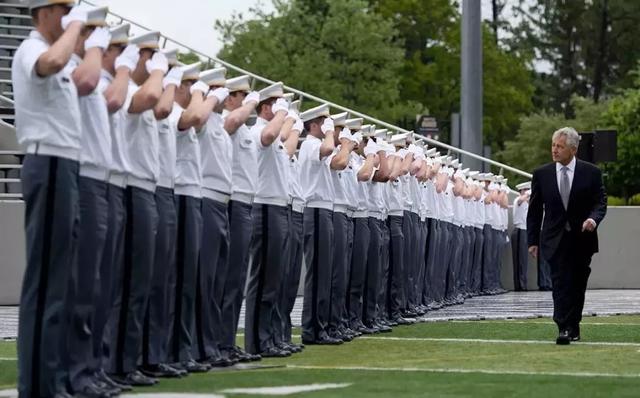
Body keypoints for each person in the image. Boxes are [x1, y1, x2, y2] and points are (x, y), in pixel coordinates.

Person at [12, 1, 88, 396]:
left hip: (66, 166)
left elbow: (83, 77)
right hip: (48, 161)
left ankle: (53, 378)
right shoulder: (31, 49)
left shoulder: (58, 52)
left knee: (61, 280)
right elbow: (52, 63)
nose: (70, 17)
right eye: (65, 10)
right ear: (44, 11)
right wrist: (76, 29)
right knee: (45, 283)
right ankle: (38, 385)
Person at [527, 126, 607, 345]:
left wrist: (593, 219)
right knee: (560, 283)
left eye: (560, 146)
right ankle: (563, 327)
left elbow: (600, 202)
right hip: (554, 240)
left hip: (582, 238)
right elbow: (534, 211)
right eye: (553, 145)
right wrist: (532, 241)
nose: (554, 150)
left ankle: (574, 324)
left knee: (577, 284)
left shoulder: (591, 172)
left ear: (573, 149)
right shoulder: (541, 174)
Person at [511, 182, 531, 291]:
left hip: (524, 230)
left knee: (523, 260)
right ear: (522, 191)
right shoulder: (518, 200)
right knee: (518, 260)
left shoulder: (527, 202)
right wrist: (527, 194)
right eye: (526, 190)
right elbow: (520, 201)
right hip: (519, 230)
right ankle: (520, 285)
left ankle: (522, 284)